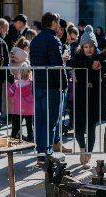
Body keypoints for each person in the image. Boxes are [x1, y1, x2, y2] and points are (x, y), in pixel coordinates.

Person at [67, 25, 106, 168]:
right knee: (78, 128)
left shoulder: (101, 55)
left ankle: (89, 154)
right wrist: (90, 64)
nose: (89, 49)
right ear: (82, 47)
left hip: (94, 97)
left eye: (91, 46)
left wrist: (100, 63)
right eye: (86, 46)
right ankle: (83, 150)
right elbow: (69, 62)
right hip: (80, 96)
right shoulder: (77, 57)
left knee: (91, 128)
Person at [30, 12, 70, 164]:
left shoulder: (35, 40)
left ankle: (41, 153)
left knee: (40, 121)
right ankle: (47, 153)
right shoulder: (53, 40)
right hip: (51, 87)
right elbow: (57, 67)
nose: (59, 25)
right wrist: (64, 85)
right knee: (51, 121)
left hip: (38, 85)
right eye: (58, 22)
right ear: (53, 23)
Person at [9, 37, 33, 141]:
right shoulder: (31, 83)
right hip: (29, 108)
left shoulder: (12, 54)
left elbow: (10, 93)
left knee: (16, 122)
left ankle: (13, 136)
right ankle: (30, 137)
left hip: (18, 106)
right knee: (28, 124)